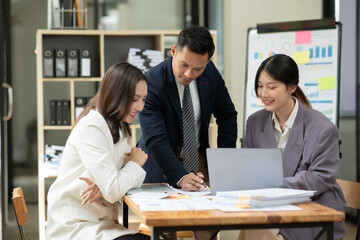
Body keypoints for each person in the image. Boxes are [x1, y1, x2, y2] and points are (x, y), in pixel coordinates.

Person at [137, 25, 237, 239]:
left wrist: (225, 161)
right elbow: (155, 137)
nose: (189, 74)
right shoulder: (152, 81)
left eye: (198, 69)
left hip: (197, 155)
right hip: (160, 159)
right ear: (173, 51)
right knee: (166, 227)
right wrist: (179, 175)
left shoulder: (210, 74)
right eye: (184, 65)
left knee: (208, 223)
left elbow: (227, 115)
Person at [240, 54, 346, 240]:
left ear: (292, 87)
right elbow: (248, 168)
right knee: (250, 228)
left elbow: (320, 177)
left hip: (311, 212)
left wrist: (270, 185)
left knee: (255, 231)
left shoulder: (323, 128)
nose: (263, 93)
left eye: (272, 87)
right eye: (260, 85)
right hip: (268, 209)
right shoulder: (254, 123)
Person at [46, 62, 150, 240]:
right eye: (135, 99)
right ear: (116, 95)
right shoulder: (92, 126)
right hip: (76, 225)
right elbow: (116, 187)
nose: (140, 107)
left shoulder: (118, 126)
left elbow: (123, 183)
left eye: (143, 99)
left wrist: (107, 186)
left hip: (98, 222)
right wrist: (135, 163)